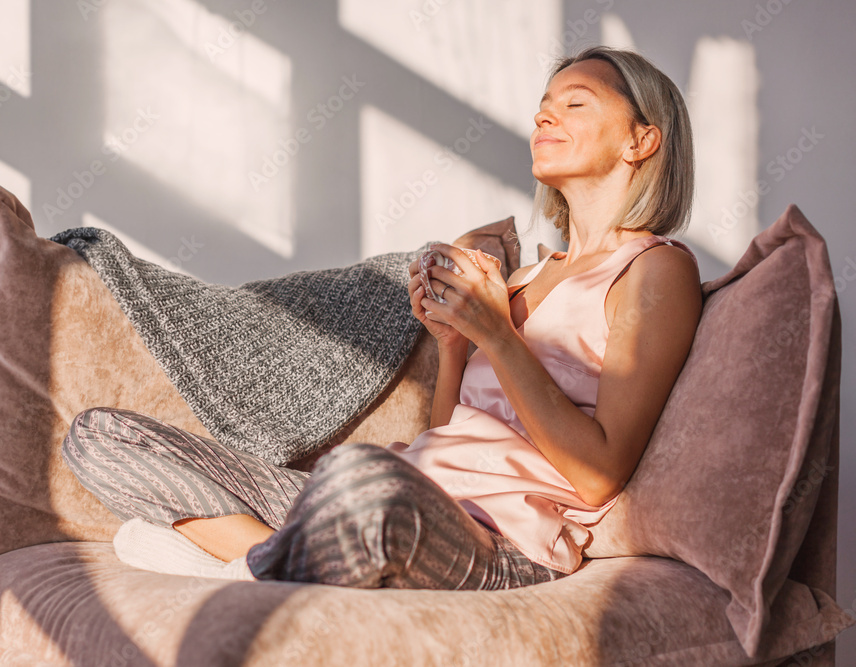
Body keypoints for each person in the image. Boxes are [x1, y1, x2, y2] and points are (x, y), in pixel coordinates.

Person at [61, 45, 702, 590]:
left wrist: (498, 336)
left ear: (641, 139)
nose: (544, 114)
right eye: (544, 103)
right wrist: (454, 345)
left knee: (358, 474)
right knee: (99, 436)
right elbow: (452, 435)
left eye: (575, 103)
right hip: (402, 495)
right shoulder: (527, 277)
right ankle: (286, 563)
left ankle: (251, 573)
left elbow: (598, 475)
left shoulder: (656, 270)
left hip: (500, 544)